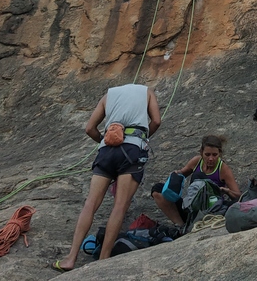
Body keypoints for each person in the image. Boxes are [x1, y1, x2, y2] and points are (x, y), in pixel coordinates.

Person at [53, 84, 161, 272]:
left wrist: (105, 140)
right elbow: (156, 121)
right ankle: (103, 259)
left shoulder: (108, 95)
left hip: (106, 150)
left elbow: (89, 129)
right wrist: (141, 139)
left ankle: (70, 258)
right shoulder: (147, 92)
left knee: (90, 204)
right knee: (119, 205)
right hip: (132, 150)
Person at [151, 134, 240, 226]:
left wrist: (226, 191)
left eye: (214, 155)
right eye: (207, 154)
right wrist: (175, 176)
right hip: (191, 206)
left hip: (211, 210)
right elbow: (181, 174)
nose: (211, 158)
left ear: (220, 154)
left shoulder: (223, 169)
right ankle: (181, 226)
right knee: (157, 190)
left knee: (199, 176)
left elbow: (238, 196)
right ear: (201, 152)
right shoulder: (196, 161)